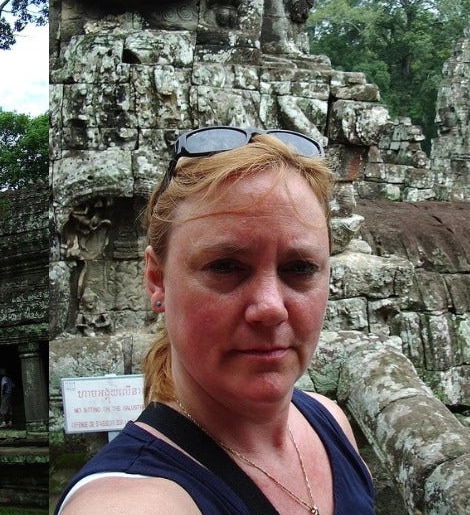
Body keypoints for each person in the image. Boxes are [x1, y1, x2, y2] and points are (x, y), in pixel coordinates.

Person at [55, 127, 375, 515]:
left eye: (300, 267)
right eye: (225, 267)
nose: (271, 307)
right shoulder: (131, 502)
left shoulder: (332, 424)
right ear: (157, 280)